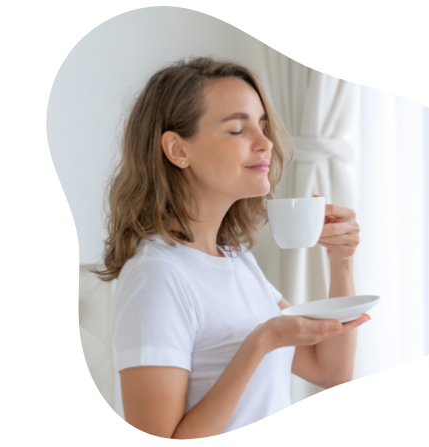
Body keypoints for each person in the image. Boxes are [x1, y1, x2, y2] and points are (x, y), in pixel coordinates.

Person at [95, 57, 369, 439]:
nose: (265, 143)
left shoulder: (234, 259)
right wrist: (261, 343)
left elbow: (331, 371)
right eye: (238, 129)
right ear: (178, 150)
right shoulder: (156, 277)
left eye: (262, 126)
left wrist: (341, 262)